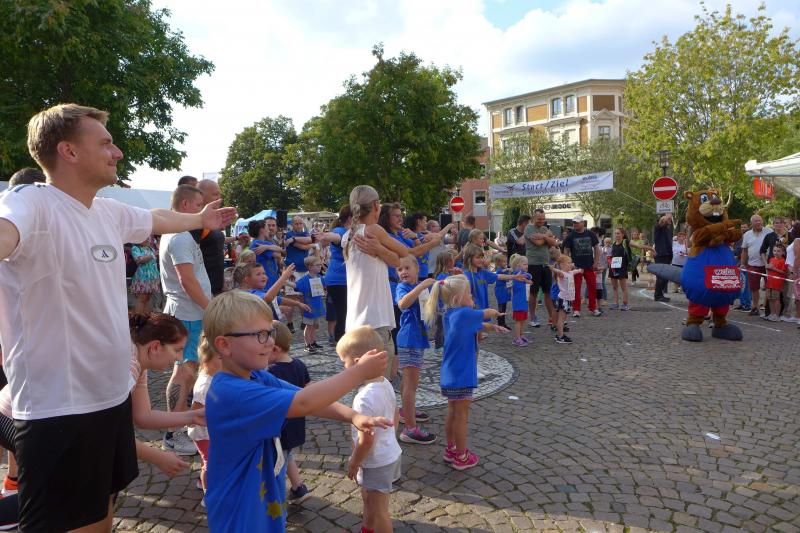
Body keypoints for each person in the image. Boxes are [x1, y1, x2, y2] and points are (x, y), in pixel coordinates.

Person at [0, 103, 236, 531]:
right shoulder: (29, 202)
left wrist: (199, 218)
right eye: (106, 143)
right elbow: (5, 231)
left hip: (110, 402)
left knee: (102, 513)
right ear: (69, 151)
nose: (118, 152)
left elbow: (156, 218)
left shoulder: (106, 210)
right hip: (60, 411)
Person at [203, 290, 392, 531]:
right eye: (260, 335)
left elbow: (304, 396)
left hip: (261, 501)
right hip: (239, 513)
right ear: (224, 345)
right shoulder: (233, 392)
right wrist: (358, 372)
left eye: (270, 332)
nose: (270, 342)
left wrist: (353, 416)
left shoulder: (257, 377)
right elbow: (303, 403)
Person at [422, 275, 508, 470]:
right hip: (461, 374)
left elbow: (478, 325)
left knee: (452, 413)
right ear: (458, 298)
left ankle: (451, 449)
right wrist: (495, 312)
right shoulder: (463, 313)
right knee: (461, 416)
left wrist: (492, 327)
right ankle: (461, 456)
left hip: (450, 374)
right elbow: (484, 313)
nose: (472, 298)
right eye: (469, 294)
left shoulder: (451, 314)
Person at [159, 184, 213, 456]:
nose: (202, 210)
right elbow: (187, 281)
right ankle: (173, 433)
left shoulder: (177, 234)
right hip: (188, 314)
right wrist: (212, 308)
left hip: (189, 313)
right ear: (184, 206)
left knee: (187, 371)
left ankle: (179, 427)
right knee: (184, 371)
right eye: (198, 205)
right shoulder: (180, 237)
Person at [338, 326, 402, 533]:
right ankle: (367, 528)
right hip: (389, 454)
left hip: (376, 461)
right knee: (370, 498)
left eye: (344, 362)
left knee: (379, 509)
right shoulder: (385, 384)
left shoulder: (363, 398)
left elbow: (366, 440)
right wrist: (389, 439)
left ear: (358, 362)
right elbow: (396, 414)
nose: (343, 367)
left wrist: (354, 462)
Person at [343, 186, 410, 380]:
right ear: (376, 205)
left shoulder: (348, 235)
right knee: (379, 383)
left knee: (362, 383)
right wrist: (380, 250)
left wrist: (380, 251)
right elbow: (403, 252)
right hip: (375, 321)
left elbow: (395, 261)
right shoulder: (373, 230)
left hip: (355, 321)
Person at [267, 322, 312, 505]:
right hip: (296, 424)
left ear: (275, 349)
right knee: (287, 454)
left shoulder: (271, 372)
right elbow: (309, 391)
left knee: (278, 464)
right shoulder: (299, 364)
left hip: (280, 428)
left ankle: (277, 504)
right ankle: (298, 487)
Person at [394, 256, 437, 445]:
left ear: (417, 268)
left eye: (407, 268)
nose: (403, 272)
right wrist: (421, 287)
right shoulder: (402, 287)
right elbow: (402, 304)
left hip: (417, 338)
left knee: (408, 383)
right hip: (409, 339)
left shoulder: (420, 287)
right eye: (399, 269)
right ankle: (410, 429)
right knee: (411, 385)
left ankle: (407, 411)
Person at [188, 335, 220, 502]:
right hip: (203, 433)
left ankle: (203, 483)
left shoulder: (213, 376)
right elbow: (196, 414)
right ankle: (209, 496)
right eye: (220, 358)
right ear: (208, 359)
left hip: (210, 431)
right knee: (210, 463)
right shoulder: (204, 385)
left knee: (208, 459)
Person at [315, 205, 351, 341]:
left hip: (343, 280)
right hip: (339, 281)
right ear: (350, 218)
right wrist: (324, 235)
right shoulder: (340, 230)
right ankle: (341, 345)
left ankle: (344, 344)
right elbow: (336, 237)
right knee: (343, 316)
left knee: (344, 315)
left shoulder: (350, 232)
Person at [561, 215, 603, 316]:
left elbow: (597, 248)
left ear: (583, 223)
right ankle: (576, 309)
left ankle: (593, 308)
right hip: (576, 267)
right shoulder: (571, 236)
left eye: (577, 222)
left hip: (589, 265)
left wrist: (596, 262)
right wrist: (569, 264)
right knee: (576, 288)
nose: (575, 224)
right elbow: (566, 250)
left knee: (592, 287)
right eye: (574, 223)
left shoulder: (590, 234)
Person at [193, 179, 229, 296]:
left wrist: (222, 281)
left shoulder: (211, 220)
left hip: (216, 285)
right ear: (201, 195)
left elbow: (216, 251)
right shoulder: (195, 221)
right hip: (202, 288)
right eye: (215, 194)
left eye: (219, 194)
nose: (219, 198)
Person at [524, 208, 557, 327]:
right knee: (534, 292)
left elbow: (553, 242)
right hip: (533, 264)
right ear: (534, 218)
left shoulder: (544, 229)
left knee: (547, 292)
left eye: (543, 219)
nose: (542, 221)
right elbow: (538, 243)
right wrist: (547, 237)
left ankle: (552, 318)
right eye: (539, 219)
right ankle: (533, 317)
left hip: (545, 264)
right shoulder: (529, 228)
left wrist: (543, 236)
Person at [607, 228, 652, 311]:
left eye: (618, 233)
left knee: (623, 287)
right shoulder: (613, 243)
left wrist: (651, 248)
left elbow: (639, 246)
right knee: (614, 287)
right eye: (615, 233)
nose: (616, 235)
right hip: (613, 267)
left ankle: (625, 304)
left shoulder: (626, 242)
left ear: (623, 234)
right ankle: (616, 304)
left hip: (622, 267)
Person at [759, 216, 793, 319]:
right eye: (776, 223)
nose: (778, 225)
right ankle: (771, 313)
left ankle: (785, 314)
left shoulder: (790, 236)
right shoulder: (769, 236)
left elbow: (795, 250)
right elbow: (762, 251)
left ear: (784, 224)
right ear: (773, 225)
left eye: (780, 223)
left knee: (786, 292)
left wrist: (785, 246)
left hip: (786, 266)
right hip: (772, 267)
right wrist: (766, 264)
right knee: (771, 292)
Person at [740, 214, 773, 317]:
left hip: (768, 264)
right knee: (754, 288)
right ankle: (755, 307)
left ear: (762, 221)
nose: (758, 222)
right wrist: (742, 263)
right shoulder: (747, 234)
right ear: (752, 223)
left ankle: (769, 309)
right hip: (753, 264)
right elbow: (744, 251)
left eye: (759, 220)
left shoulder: (769, 231)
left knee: (770, 287)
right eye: (756, 221)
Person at [294, 255, 327, 351]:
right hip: (309, 307)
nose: (320, 267)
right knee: (308, 326)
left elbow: (325, 284)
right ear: (310, 267)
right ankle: (307, 344)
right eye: (317, 265)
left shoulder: (319, 277)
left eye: (320, 265)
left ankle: (312, 342)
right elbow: (296, 286)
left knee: (314, 326)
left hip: (317, 306)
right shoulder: (305, 279)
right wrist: (284, 281)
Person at [551, 254, 583, 344]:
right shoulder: (562, 274)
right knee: (561, 318)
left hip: (568, 299)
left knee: (564, 318)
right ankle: (560, 336)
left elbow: (576, 271)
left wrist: (580, 270)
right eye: (568, 263)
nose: (570, 264)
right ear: (562, 264)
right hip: (563, 299)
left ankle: (560, 334)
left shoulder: (570, 273)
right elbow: (558, 271)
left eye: (570, 262)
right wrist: (553, 269)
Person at [131, 237, 161, 315]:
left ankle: (145, 317)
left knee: (147, 298)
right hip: (142, 278)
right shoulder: (135, 248)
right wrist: (153, 254)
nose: (148, 240)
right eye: (145, 238)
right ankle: (138, 318)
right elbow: (139, 260)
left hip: (152, 278)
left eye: (148, 238)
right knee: (142, 298)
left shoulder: (150, 248)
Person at [509, 254, 532, 346]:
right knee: (518, 321)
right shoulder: (517, 273)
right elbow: (527, 277)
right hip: (518, 302)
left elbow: (529, 276)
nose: (526, 266)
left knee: (522, 320)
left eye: (527, 264)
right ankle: (517, 338)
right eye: (524, 264)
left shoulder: (523, 274)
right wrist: (527, 279)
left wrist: (527, 279)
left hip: (523, 302)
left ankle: (521, 336)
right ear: (518, 265)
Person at [652, 213, 674, 302]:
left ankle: (660, 294)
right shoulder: (658, 228)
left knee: (665, 277)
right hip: (661, 255)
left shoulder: (668, 229)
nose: (670, 219)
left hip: (667, 255)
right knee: (661, 277)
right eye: (668, 218)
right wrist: (666, 216)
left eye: (670, 218)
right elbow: (661, 222)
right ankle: (657, 295)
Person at [764, 243, 789, 322]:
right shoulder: (771, 259)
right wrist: (768, 267)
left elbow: (784, 273)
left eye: (778, 251)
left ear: (783, 252)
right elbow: (769, 271)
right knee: (770, 299)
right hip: (770, 282)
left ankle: (777, 315)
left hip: (777, 283)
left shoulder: (783, 261)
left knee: (776, 299)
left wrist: (773, 268)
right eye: (774, 251)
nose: (776, 252)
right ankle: (772, 314)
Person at [493, 254, 511, 329]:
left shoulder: (503, 270)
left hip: (503, 291)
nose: (505, 263)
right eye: (504, 262)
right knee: (502, 307)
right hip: (500, 291)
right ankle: (501, 323)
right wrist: (507, 270)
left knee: (503, 306)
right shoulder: (500, 270)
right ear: (498, 263)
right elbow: (501, 272)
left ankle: (501, 320)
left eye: (506, 262)